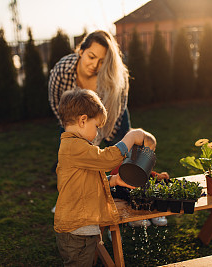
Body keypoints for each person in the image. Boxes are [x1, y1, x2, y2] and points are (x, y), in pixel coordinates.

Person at [48, 30, 168, 227]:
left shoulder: (112, 76)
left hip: (111, 115)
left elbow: (115, 113)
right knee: (73, 161)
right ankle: (70, 200)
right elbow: (56, 104)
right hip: (73, 123)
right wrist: (79, 134)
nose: (95, 65)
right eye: (91, 56)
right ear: (81, 50)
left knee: (130, 159)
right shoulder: (61, 71)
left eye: (101, 61)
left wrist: (119, 141)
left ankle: (145, 204)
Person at [54, 88, 158, 266]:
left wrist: (114, 180)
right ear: (82, 120)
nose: (97, 134)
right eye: (96, 127)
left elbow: (88, 179)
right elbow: (106, 160)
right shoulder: (73, 146)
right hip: (76, 232)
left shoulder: (78, 146)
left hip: (83, 228)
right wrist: (131, 137)